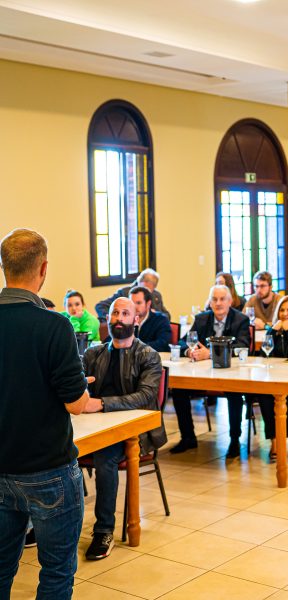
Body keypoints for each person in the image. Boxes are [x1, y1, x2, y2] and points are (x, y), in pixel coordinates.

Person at [0, 228, 90, 599]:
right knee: (56, 573)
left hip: (1, 466)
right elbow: (76, 403)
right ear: (43, 269)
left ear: (4, 267)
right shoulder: (55, 325)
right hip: (48, 469)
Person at [82, 297, 165, 561]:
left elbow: (145, 396)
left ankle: (103, 530)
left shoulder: (148, 355)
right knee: (58, 450)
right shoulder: (93, 354)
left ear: (136, 320)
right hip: (94, 425)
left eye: (125, 313)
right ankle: (44, 526)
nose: (119, 318)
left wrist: (101, 404)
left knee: (105, 457)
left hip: (134, 432)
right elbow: (78, 387)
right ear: (108, 319)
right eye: (115, 313)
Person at [171, 285, 251, 458]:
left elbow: (243, 347)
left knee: (234, 393)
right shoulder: (201, 319)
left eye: (222, 299)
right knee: (178, 390)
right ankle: (188, 437)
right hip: (202, 373)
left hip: (231, 373)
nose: (218, 303)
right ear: (210, 302)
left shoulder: (241, 320)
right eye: (214, 299)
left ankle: (235, 440)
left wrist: (211, 354)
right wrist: (189, 351)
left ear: (230, 301)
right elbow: (183, 342)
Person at [248, 295, 288, 460]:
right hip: (274, 377)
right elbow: (264, 354)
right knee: (264, 395)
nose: (285, 314)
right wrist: (272, 331)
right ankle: (274, 440)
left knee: (287, 396)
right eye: (282, 310)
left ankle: (280, 439)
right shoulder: (275, 330)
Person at [95, 268, 170, 322]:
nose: (145, 293)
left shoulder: (156, 295)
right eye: (143, 288)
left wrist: (156, 315)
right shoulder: (124, 292)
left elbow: (167, 315)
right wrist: (114, 319)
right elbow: (100, 306)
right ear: (139, 282)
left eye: (149, 291)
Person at [128, 285, 172, 352]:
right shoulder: (126, 319)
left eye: (138, 303)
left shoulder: (161, 320)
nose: (134, 307)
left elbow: (163, 344)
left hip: (152, 357)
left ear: (148, 304)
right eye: (132, 303)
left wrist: (138, 348)